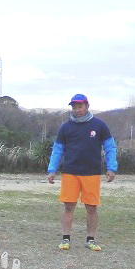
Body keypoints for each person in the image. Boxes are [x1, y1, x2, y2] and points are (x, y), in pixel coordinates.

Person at [47, 93, 118, 251]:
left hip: (91, 173)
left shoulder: (100, 125)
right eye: (74, 107)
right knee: (68, 206)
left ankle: (90, 240)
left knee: (92, 207)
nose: (77, 110)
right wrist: (52, 170)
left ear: (87, 106)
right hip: (70, 172)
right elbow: (57, 150)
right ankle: (66, 239)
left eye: (80, 106)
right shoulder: (65, 128)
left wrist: (111, 167)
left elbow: (110, 147)